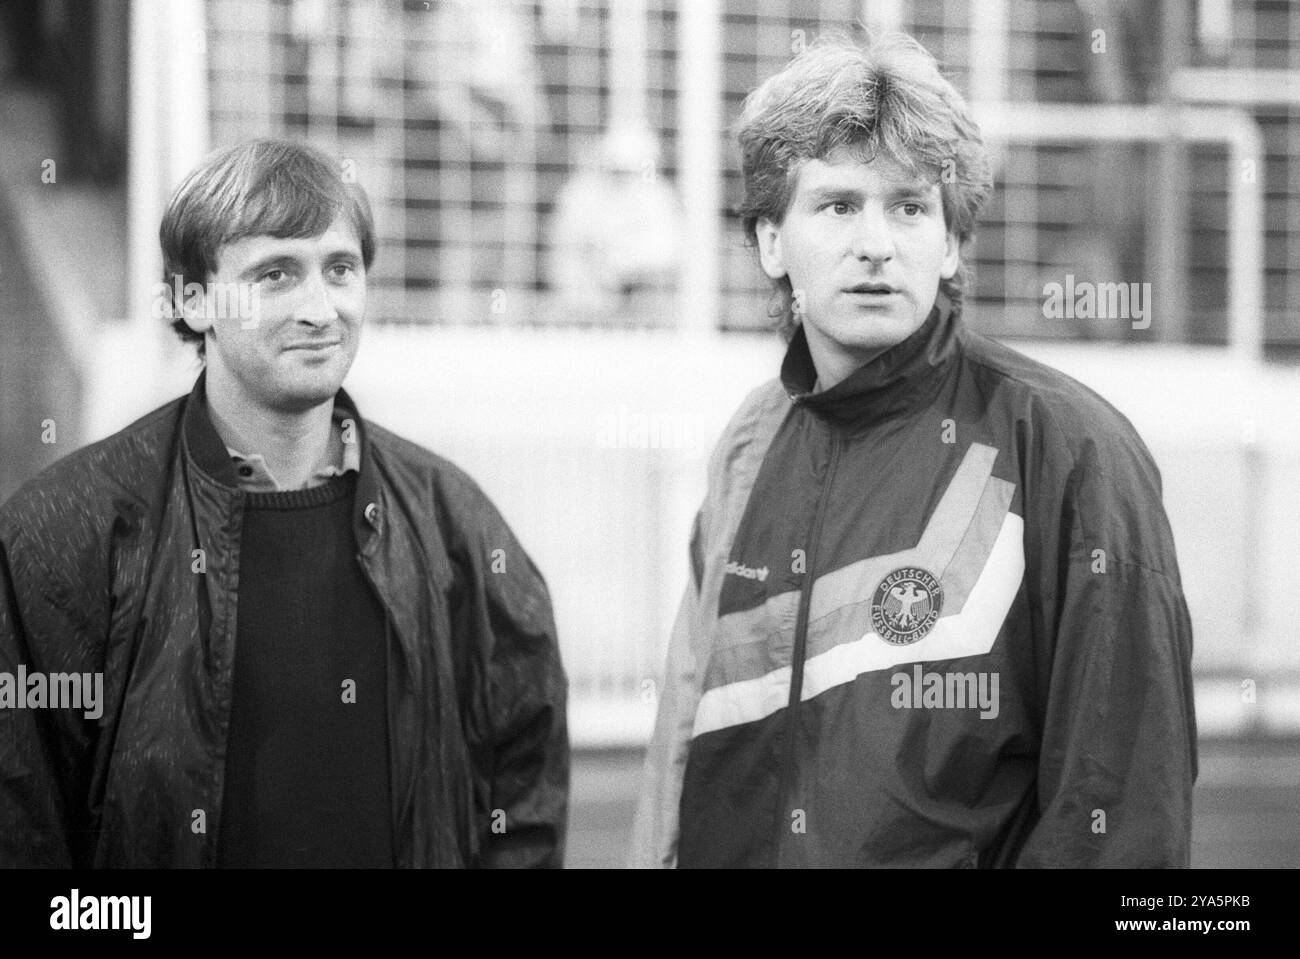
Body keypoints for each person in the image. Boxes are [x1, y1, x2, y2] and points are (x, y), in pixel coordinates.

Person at [631, 31, 1196, 868]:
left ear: (952, 242)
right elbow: (681, 735)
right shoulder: (751, 444)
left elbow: (1120, 811)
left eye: (909, 206)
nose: (877, 243)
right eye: (837, 205)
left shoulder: (1072, 451)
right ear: (770, 243)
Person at [0, 138, 569, 868]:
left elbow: (523, 773)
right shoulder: (66, 531)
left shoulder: (452, 519)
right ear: (192, 299)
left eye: (340, 269)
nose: (319, 308)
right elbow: (22, 820)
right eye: (276, 274)